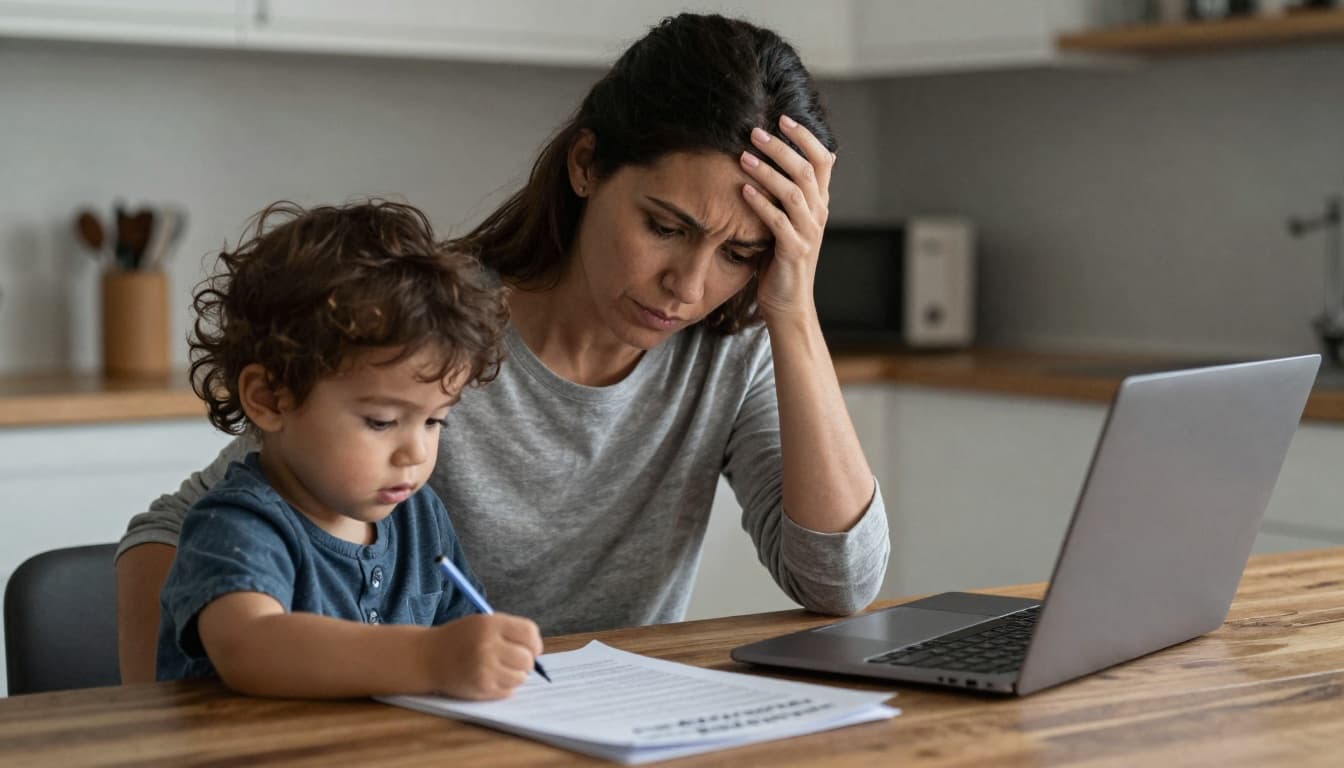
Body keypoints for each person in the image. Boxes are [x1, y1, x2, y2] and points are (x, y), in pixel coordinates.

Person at [117, 12, 891, 684]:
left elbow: (839, 585)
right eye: (664, 227)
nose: (687, 287)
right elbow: (183, 532)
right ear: (586, 166)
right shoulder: (432, 327)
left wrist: (792, 309)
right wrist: (173, 717)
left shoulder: (730, 349)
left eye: (740, 253)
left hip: (597, 724)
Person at [155, 200, 543, 699]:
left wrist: (485, 652)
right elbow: (250, 646)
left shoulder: (421, 517)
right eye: (381, 421)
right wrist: (430, 658)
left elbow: (460, 629)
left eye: (434, 421)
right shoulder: (237, 524)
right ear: (269, 398)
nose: (414, 452)